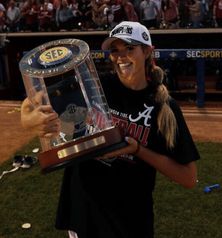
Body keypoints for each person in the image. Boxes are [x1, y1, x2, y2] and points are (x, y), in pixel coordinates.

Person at [21, 21, 200, 238]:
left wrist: (137, 150)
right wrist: (30, 120)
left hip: (129, 219)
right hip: (84, 211)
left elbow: (188, 178)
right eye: (115, 50)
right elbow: (34, 101)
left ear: (147, 52)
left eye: (129, 48)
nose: (121, 56)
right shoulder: (95, 86)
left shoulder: (164, 107)